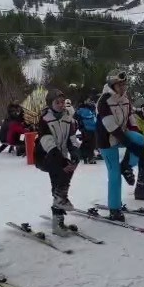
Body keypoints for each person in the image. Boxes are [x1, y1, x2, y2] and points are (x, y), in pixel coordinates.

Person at [96, 69, 144, 221]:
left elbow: (130, 117)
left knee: (140, 140)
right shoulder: (104, 101)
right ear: (112, 84)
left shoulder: (125, 98)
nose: (123, 87)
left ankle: (127, 166)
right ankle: (114, 209)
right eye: (120, 85)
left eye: (125, 84)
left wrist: (136, 135)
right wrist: (129, 144)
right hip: (106, 140)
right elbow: (111, 126)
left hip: (121, 135)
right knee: (114, 173)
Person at [34, 89, 80, 233]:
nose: (61, 105)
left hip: (60, 155)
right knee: (60, 176)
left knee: (63, 179)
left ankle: (59, 216)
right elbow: (49, 145)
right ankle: (59, 211)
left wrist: (75, 153)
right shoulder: (44, 120)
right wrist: (64, 162)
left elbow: (72, 138)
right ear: (50, 104)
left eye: (62, 102)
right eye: (57, 102)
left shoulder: (68, 118)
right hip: (45, 156)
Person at [75, 97, 98, 164]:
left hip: (87, 128)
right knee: (90, 143)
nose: (90, 101)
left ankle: (82, 155)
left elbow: (75, 117)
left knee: (87, 143)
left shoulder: (81, 109)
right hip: (91, 128)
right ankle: (90, 157)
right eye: (88, 100)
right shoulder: (91, 108)